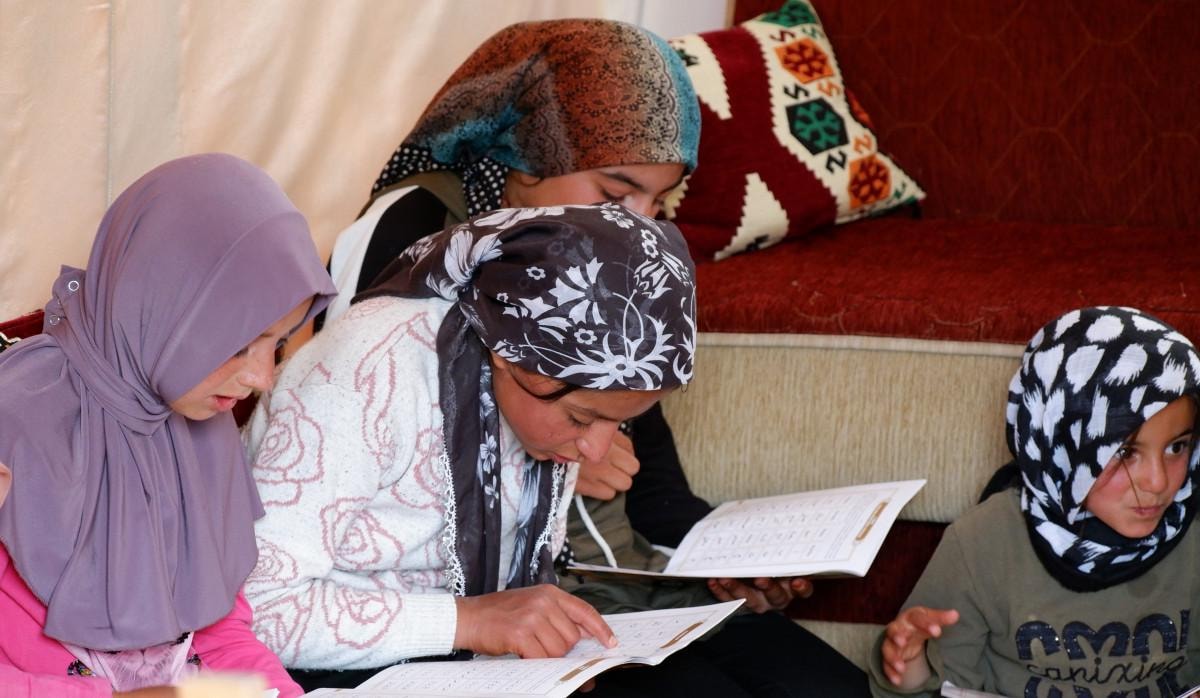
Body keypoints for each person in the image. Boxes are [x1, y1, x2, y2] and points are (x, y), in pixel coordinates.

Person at [313, 18, 867, 696]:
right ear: (528, 157)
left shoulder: (623, 253)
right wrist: (546, 461)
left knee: (832, 689)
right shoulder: (412, 234)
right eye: (614, 193)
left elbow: (651, 482)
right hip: (483, 608)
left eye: (660, 201)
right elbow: (361, 452)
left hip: (620, 586)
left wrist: (722, 562)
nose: (639, 219)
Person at [242, 203, 697, 689]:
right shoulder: (361, 377)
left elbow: (515, 586)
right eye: (581, 418)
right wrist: (469, 621)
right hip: (317, 674)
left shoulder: (545, 396)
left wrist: (540, 637)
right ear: (508, 357)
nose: (597, 451)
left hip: (457, 664)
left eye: (620, 422)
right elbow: (258, 609)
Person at [0, 153, 336, 697]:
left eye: (277, 344)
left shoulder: (198, 418)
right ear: (158, 304)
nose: (262, 378)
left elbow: (219, 635)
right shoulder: (13, 426)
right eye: (239, 344)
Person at [870, 306, 1200, 697]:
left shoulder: (1193, 535)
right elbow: (938, 686)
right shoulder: (982, 543)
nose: (1158, 482)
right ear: (1061, 445)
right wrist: (911, 666)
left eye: (1177, 447)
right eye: (1124, 453)